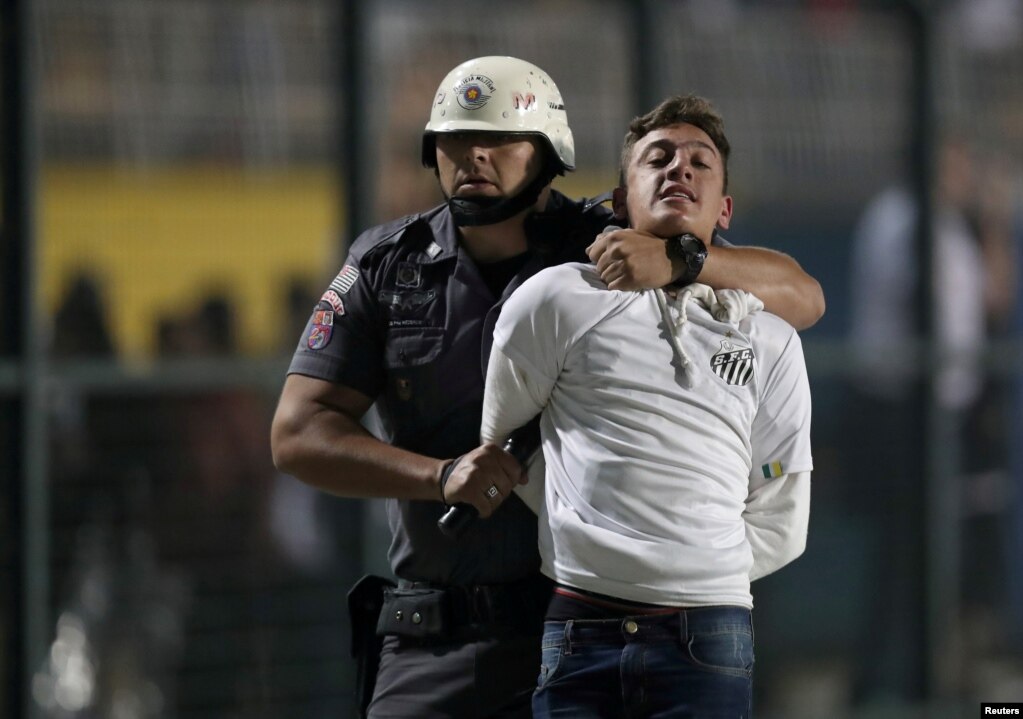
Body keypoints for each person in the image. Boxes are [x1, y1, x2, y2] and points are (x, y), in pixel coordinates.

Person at [271, 56, 823, 718]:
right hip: (435, 632)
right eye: (452, 138)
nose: (473, 153)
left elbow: (802, 296)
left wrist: (681, 258)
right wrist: (440, 476)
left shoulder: (609, 243)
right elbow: (299, 432)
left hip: (577, 623)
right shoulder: (385, 263)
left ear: (548, 153)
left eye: (500, 138)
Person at [479, 93, 813, 718]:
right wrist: (593, 541)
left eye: (699, 162)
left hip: (709, 630)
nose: (678, 168)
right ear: (620, 200)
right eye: (657, 158)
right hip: (580, 621)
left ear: (726, 209)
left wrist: (698, 564)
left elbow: (783, 507)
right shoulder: (554, 299)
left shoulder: (770, 335)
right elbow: (503, 444)